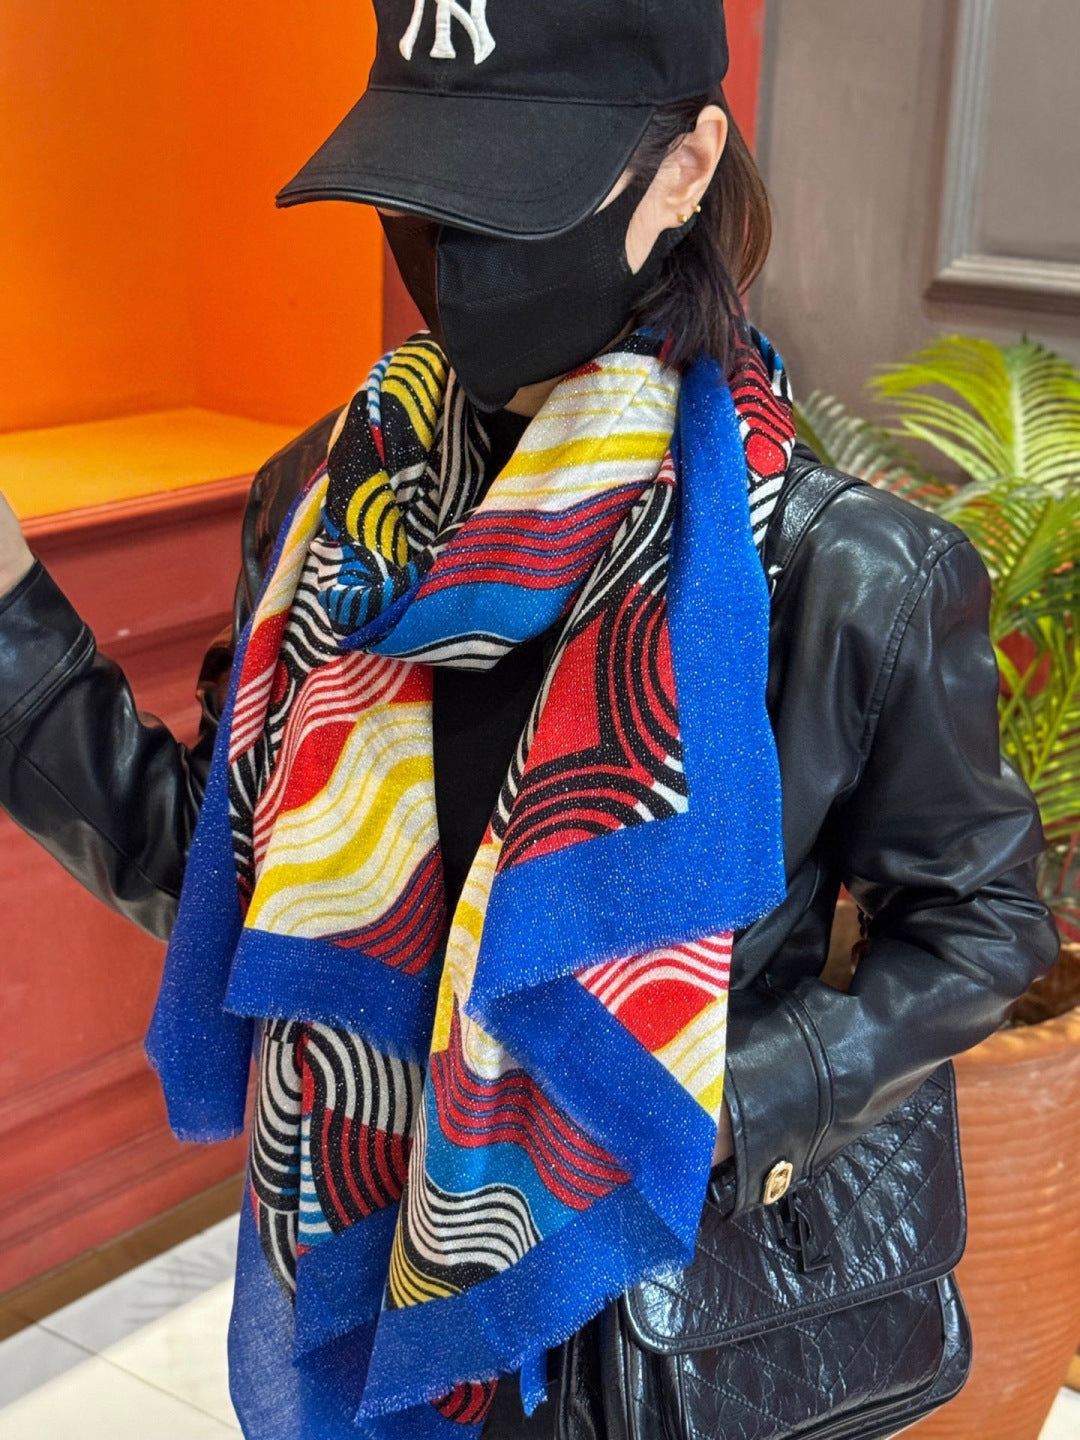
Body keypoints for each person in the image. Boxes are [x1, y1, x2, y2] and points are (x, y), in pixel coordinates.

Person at [0, 3, 1060, 1439]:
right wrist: (13, 624)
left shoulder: (839, 573)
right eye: (419, 190)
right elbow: (222, 874)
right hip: (362, 1284)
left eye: (512, 192)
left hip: (656, 1328)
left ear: (686, 167)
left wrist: (707, 1106)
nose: (455, 253)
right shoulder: (328, 514)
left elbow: (983, 927)